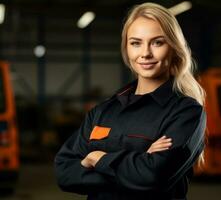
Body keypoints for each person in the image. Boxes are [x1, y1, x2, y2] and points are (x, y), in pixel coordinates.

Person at [54, 2, 206, 200]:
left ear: (174, 48)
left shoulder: (186, 112)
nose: (145, 53)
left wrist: (98, 158)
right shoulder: (102, 111)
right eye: (136, 43)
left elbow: (154, 176)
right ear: (126, 48)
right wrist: (138, 164)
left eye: (157, 42)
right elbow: (64, 171)